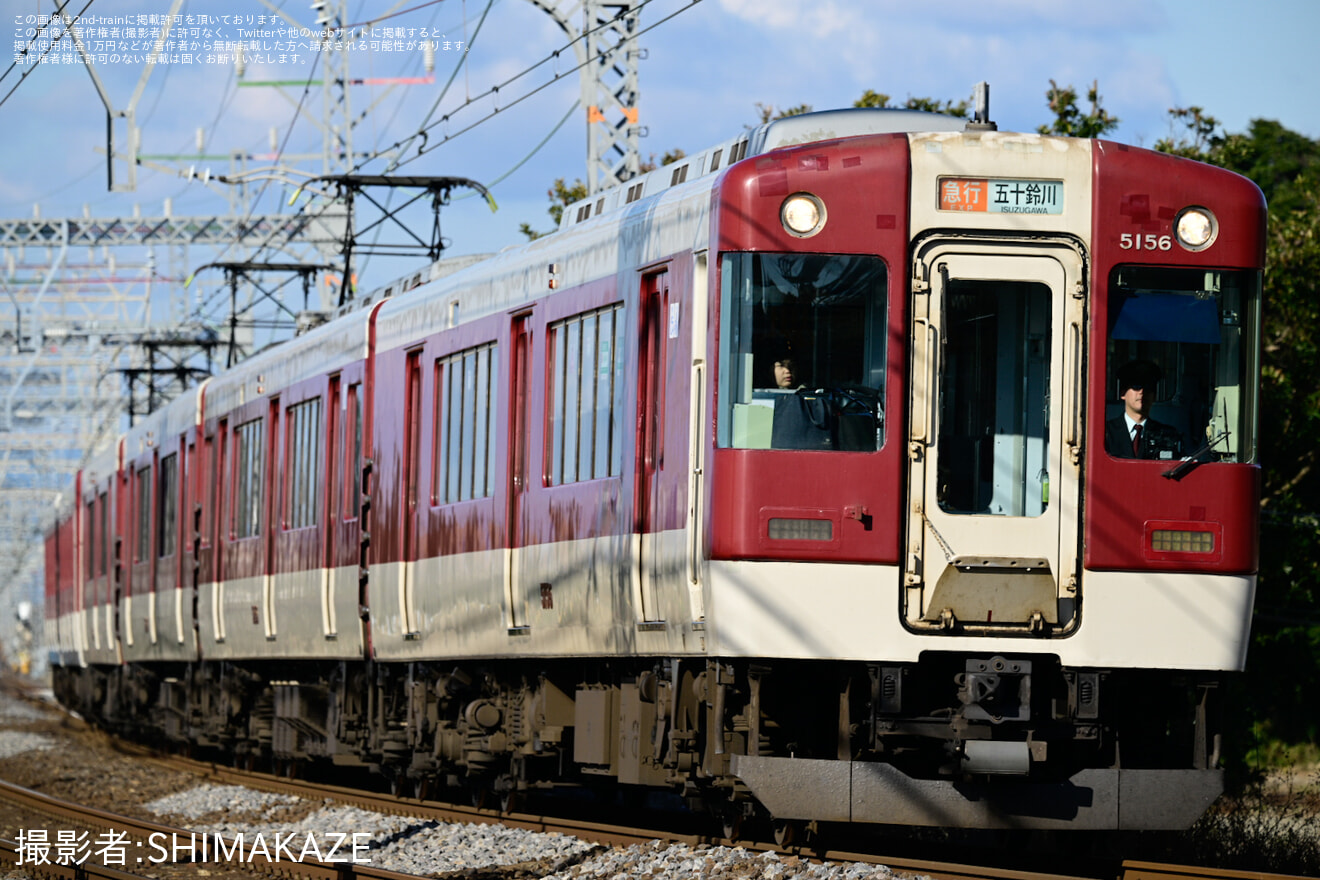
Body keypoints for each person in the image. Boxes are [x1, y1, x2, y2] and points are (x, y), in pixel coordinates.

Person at [1104, 359, 1182, 459]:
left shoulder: (1168, 434)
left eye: (1148, 388)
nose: (1142, 392)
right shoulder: (1106, 432)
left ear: (1154, 396)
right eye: (1136, 386)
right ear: (1122, 393)